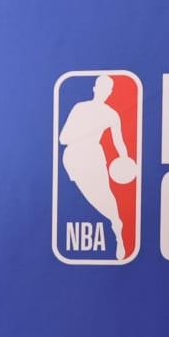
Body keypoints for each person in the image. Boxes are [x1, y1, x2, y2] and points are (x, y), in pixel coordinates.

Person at [58, 75, 133, 260]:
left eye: (108, 89)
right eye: (101, 87)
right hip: (73, 157)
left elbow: (119, 141)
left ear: (110, 92)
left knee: (105, 193)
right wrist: (87, 132)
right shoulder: (80, 108)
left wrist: (124, 159)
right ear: (95, 88)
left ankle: (117, 228)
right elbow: (63, 138)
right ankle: (115, 221)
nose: (104, 91)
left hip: (95, 156)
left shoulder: (111, 114)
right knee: (90, 196)